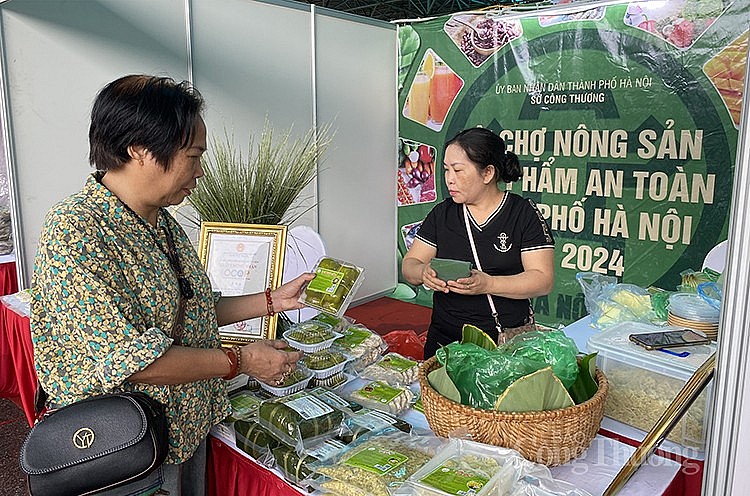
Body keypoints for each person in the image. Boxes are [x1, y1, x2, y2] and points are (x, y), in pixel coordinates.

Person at [30, 74, 314, 495]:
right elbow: (132, 360)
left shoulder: (161, 220)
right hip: (127, 442)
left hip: (184, 426)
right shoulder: (76, 229)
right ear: (139, 149)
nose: (200, 172)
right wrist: (241, 361)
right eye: (192, 155)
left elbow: (191, 309)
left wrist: (271, 300)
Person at [402, 127, 555, 359]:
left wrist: (488, 284)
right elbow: (409, 265)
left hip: (503, 343)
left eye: (458, 170)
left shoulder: (522, 213)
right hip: (445, 341)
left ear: (487, 173)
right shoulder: (442, 214)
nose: (449, 179)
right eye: (445, 170)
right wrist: (423, 272)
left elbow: (542, 280)